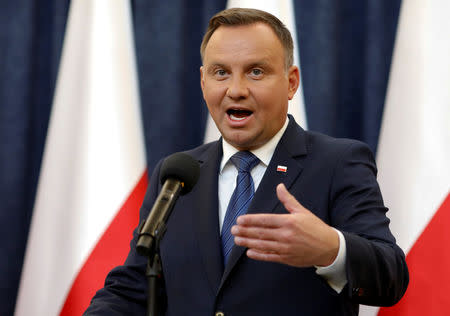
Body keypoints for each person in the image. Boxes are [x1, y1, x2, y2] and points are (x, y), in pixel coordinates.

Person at [84, 8, 408, 316]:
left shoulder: (338, 163)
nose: (236, 90)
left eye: (256, 71)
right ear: (203, 81)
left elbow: (390, 275)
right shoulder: (177, 175)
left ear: (291, 81)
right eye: (220, 72)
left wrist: (331, 249)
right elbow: (135, 287)